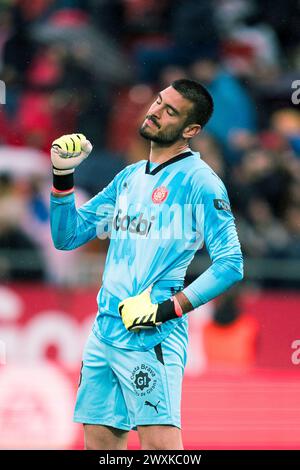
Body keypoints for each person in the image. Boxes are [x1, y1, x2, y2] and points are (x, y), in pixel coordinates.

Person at [50, 79, 243, 450]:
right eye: (158, 102)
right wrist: (62, 175)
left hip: (151, 335)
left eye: (169, 111)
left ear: (191, 130)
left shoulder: (201, 182)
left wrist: (166, 310)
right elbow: (68, 236)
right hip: (104, 332)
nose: (155, 111)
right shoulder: (129, 177)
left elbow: (230, 263)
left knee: (160, 448)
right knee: (101, 444)